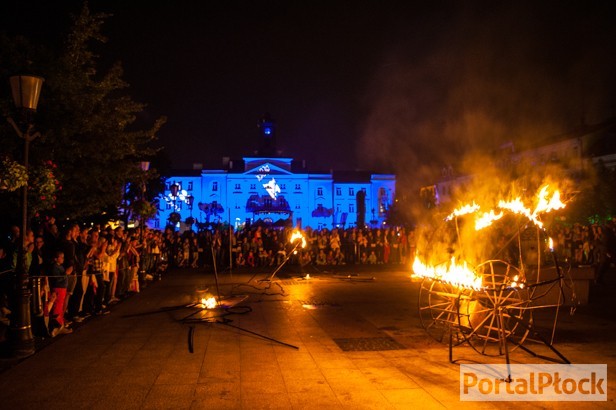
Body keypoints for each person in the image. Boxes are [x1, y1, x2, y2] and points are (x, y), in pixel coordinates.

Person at [48, 251, 72, 337]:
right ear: (55, 259)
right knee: (57, 307)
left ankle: (60, 326)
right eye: (61, 257)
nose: (63, 259)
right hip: (58, 288)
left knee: (60, 307)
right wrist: (66, 273)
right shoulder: (54, 267)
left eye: (63, 257)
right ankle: (56, 327)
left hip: (62, 288)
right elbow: (56, 279)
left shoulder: (60, 266)